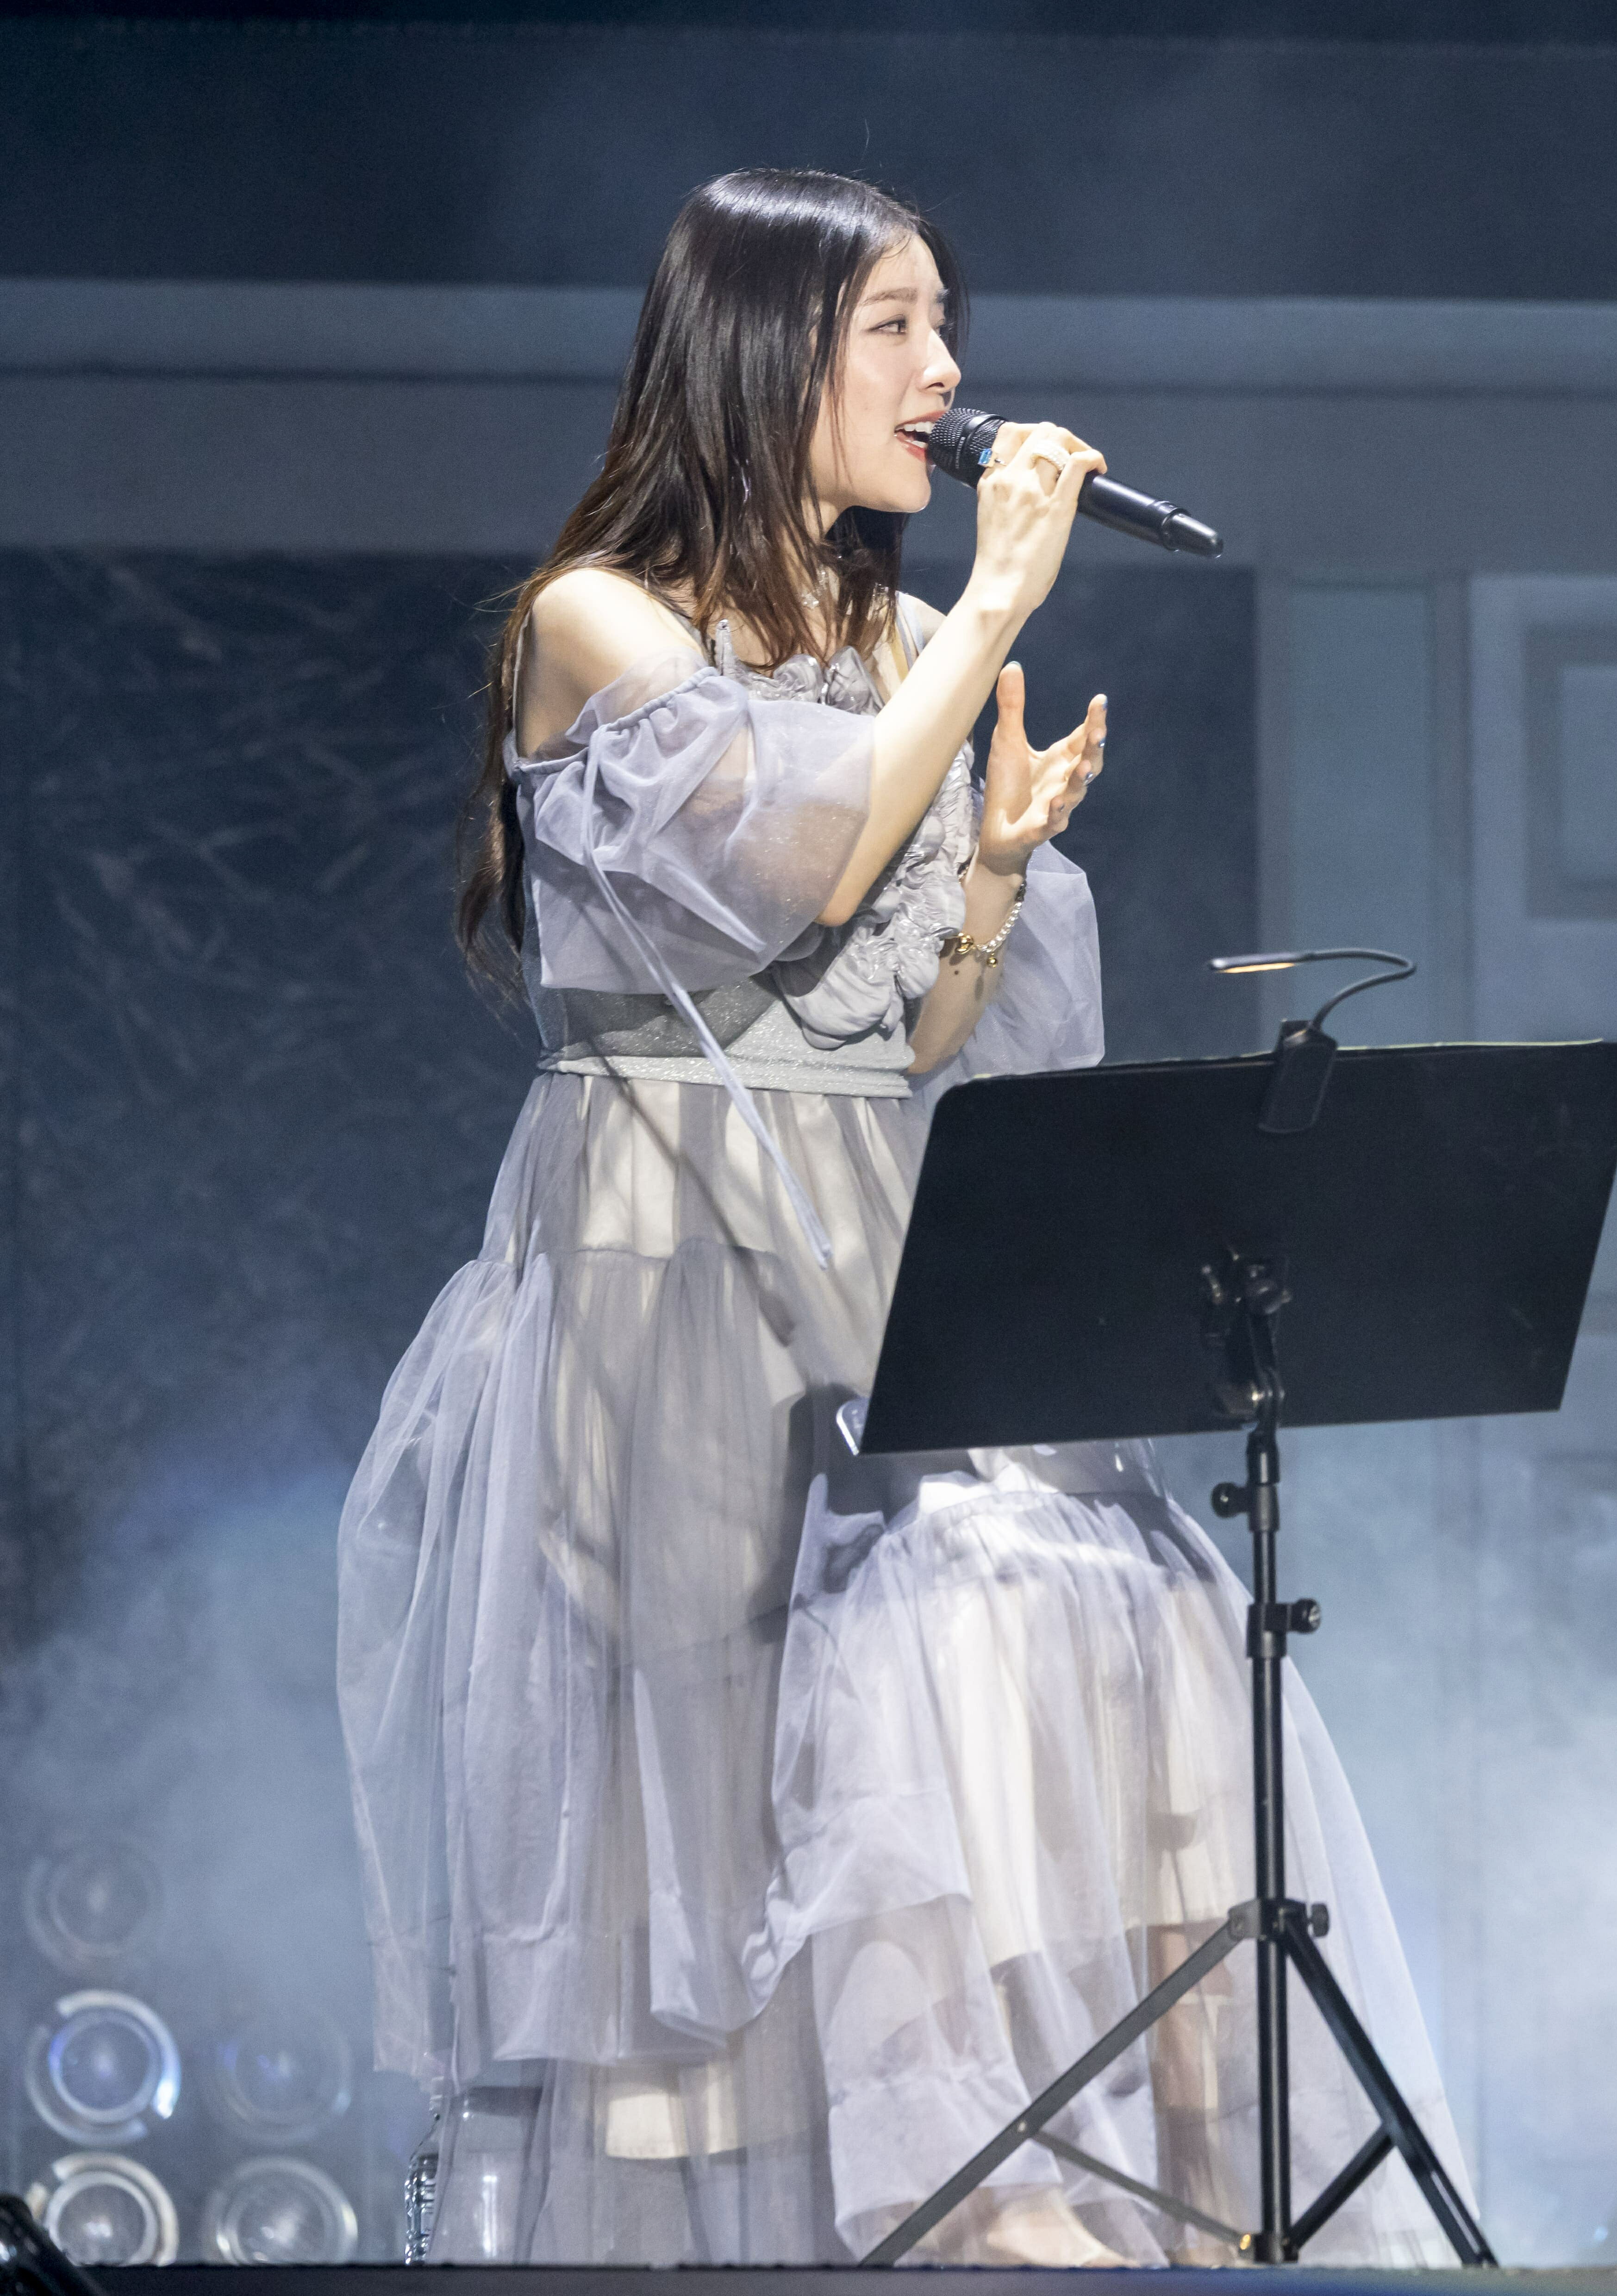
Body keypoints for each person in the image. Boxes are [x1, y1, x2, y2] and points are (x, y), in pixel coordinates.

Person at [334, 169, 1465, 2268]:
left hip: (865, 1220)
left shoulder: (905, 643)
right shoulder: (598, 623)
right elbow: (798, 865)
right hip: (670, 1240)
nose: (949, 376)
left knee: (1066, 1606)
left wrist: (1000, 870)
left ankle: (1040, 2171)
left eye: (950, 326)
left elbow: (917, 1027)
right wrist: (1000, 606)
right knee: (724, 1760)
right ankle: (873, 2208)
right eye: (898, 328)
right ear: (766, 351)